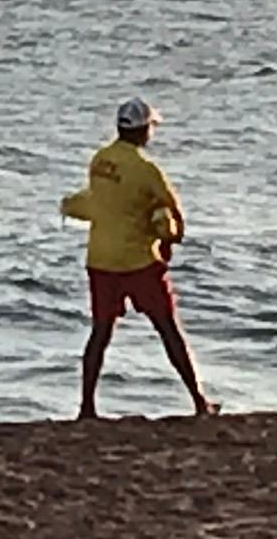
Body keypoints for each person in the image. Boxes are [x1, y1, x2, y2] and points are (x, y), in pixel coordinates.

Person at [60, 97, 217, 419]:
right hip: (139, 261)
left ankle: (86, 407)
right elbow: (172, 210)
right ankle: (200, 402)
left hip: (100, 259)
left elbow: (98, 201)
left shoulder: (100, 160)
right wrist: (172, 237)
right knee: (168, 329)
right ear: (144, 131)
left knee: (100, 333)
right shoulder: (146, 170)